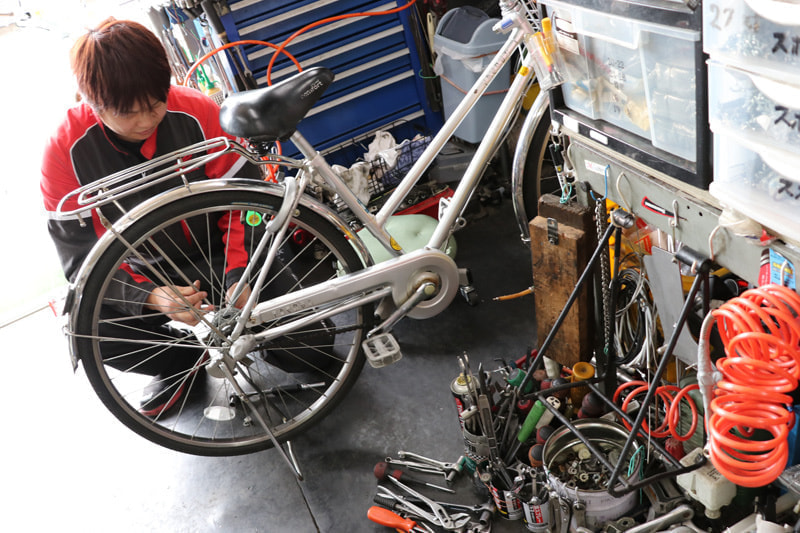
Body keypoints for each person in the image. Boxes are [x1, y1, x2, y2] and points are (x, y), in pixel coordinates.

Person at [40, 18, 257, 417]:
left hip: (224, 255)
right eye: (127, 112)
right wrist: (151, 296)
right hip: (148, 274)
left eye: (156, 103)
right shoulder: (64, 152)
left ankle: (273, 332)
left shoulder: (197, 110)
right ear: (91, 100)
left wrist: (239, 272)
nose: (145, 121)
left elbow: (247, 199)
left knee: (311, 351)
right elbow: (80, 259)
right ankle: (180, 360)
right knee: (86, 327)